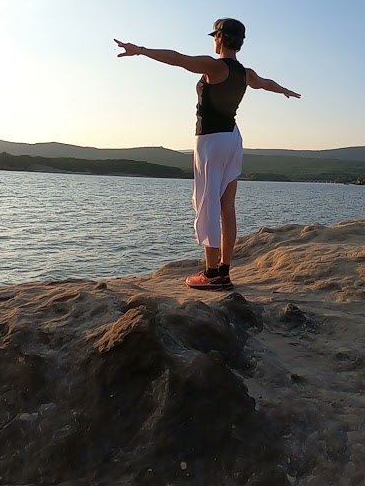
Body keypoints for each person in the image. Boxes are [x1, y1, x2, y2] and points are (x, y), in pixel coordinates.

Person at [114, 19, 299, 290]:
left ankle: (211, 273)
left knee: (208, 204)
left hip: (211, 142)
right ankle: (224, 269)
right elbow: (264, 83)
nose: (213, 40)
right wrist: (282, 89)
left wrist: (140, 50)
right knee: (227, 206)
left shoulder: (215, 67)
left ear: (221, 38)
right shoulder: (245, 73)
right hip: (233, 140)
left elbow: (178, 59)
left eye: (215, 36)